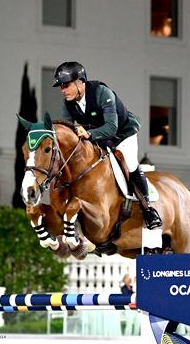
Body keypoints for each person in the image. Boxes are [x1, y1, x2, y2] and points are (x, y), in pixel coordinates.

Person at [52, 61, 162, 229]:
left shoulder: (102, 93)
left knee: (130, 163)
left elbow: (111, 127)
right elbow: (68, 130)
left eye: (66, 85)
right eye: (61, 86)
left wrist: (88, 134)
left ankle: (148, 209)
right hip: (98, 138)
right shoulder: (68, 103)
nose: (62, 90)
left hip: (123, 134)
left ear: (80, 82)